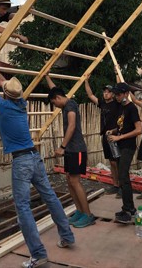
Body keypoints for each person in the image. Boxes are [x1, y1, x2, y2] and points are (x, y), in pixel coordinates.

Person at [0, 64, 74, 267]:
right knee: (49, 196)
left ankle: (38, 254)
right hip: (34, 157)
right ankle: (67, 236)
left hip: (21, 161)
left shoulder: (3, 105)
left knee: (23, 207)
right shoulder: (21, 103)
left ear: (6, 94)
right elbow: (5, 85)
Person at [45, 75, 95, 228]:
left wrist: (62, 147)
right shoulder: (65, 104)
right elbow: (53, 89)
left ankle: (88, 214)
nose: (55, 105)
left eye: (54, 102)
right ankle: (79, 211)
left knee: (75, 180)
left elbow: (72, 126)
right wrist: (47, 76)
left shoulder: (71, 105)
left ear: (59, 98)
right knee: (69, 179)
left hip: (76, 149)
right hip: (71, 150)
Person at [107, 82, 142, 224]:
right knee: (123, 177)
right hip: (120, 145)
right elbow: (123, 126)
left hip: (128, 146)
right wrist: (114, 131)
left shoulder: (132, 108)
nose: (116, 96)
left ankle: (129, 209)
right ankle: (128, 208)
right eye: (115, 94)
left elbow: (138, 129)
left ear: (126, 94)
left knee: (123, 176)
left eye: (119, 94)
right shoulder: (121, 108)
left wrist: (119, 137)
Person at [84, 79, 122, 196]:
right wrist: (86, 80)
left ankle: (122, 186)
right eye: (104, 92)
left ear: (113, 94)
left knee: (118, 162)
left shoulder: (117, 103)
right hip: (105, 136)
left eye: (108, 92)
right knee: (111, 162)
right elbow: (90, 95)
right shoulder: (102, 103)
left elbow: (121, 88)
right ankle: (115, 185)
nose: (105, 93)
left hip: (115, 135)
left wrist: (117, 74)